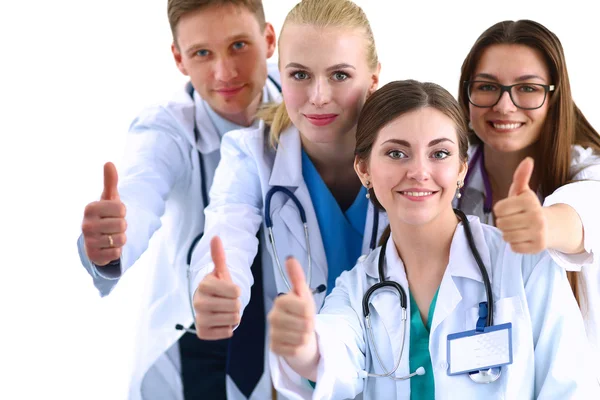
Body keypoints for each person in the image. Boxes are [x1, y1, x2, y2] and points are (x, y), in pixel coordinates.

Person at [267, 80, 599, 399]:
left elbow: (567, 386)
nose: (419, 171)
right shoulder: (357, 289)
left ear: (461, 169)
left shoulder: (524, 265)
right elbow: (333, 350)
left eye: (439, 153)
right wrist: (305, 346)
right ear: (364, 170)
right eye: (397, 153)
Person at [76, 0, 279, 399]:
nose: (224, 72)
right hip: (199, 342)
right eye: (202, 53)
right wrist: (112, 243)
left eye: (239, 45)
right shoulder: (167, 127)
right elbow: (140, 189)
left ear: (269, 39)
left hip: (291, 333)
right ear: (178, 59)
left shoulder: (307, 106)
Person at [188, 0, 385, 392]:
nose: (318, 96)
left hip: (399, 373)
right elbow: (227, 229)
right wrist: (217, 286)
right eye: (299, 74)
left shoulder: (411, 154)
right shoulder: (251, 153)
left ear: (374, 80)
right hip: (304, 379)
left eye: (340, 75)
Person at [456, 19, 600, 382]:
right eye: (487, 86)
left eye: (527, 88)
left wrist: (543, 224)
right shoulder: (444, 174)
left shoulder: (588, 171)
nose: (505, 105)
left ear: (554, 97)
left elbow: (584, 213)